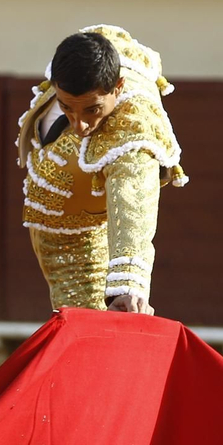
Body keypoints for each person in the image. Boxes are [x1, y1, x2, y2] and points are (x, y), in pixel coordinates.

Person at [16, 25, 188, 314]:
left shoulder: (132, 127)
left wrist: (128, 286)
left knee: (90, 338)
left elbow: (133, 197)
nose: (79, 125)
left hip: (88, 244)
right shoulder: (91, 55)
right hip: (60, 227)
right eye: (66, 108)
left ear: (118, 88)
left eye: (92, 110)